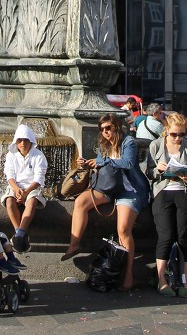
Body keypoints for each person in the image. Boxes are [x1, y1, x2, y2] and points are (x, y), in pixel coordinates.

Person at [62, 113, 150, 291]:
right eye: (102, 129)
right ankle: (74, 244)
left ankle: (128, 276)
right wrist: (88, 164)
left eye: (108, 128)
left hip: (129, 189)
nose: (105, 132)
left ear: (117, 126)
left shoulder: (128, 142)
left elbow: (128, 163)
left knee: (123, 230)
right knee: (81, 202)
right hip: (110, 188)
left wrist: (103, 161)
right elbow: (103, 167)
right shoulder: (104, 145)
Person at [146, 112, 187, 297]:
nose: (178, 138)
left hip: (183, 191)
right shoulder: (155, 146)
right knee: (166, 235)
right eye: (174, 134)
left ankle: (184, 280)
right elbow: (149, 173)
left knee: (183, 236)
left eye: (182, 135)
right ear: (166, 131)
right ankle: (162, 280)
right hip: (163, 192)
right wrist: (158, 170)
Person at [1, 124, 47, 253]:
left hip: (32, 187)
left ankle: (19, 235)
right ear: (16, 141)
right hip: (15, 186)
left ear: (31, 141)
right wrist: (16, 189)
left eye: (26, 140)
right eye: (20, 140)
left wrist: (26, 192)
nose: (23, 143)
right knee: (9, 201)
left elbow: (39, 178)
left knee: (32, 202)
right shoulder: (11, 155)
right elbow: (9, 175)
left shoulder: (39, 156)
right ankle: (19, 233)